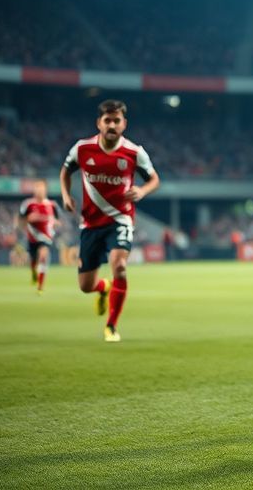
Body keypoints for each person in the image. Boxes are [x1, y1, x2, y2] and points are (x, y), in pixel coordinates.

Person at [60, 99, 160, 342]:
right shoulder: (82, 149)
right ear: (99, 123)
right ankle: (104, 288)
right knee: (85, 285)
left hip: (121, 219)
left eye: (117, 120)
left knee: (120, 267)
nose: (112, 125)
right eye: (107, 120)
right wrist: (65, 195)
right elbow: (65, 172)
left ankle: (111, 326)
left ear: (124, 124)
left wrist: (142, 191)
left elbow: (154, 179)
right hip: (91, 224)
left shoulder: (134, 152)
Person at [18, 179, 61, 295]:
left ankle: (40, 287)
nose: (39, 191)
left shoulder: (52, 205)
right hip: (32, 237)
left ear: (45, 190)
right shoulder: (28, 204)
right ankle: (33, 271)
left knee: (43, 256)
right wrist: (28, 220)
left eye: (41, 188)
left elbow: (58, 221)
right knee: (33, 261)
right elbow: (20, 219)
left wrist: (55, 223)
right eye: (37, 188)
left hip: (46, 237)